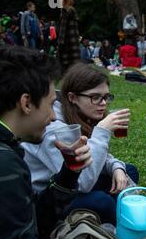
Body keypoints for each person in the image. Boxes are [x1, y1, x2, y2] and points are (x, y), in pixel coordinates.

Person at [0, 46, 104, 239]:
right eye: (50, 104)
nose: (54, 116)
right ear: (26, 103)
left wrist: (69, 173)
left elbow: (28, 225)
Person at [22, 63, 139, 226]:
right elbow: (82, 181)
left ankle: (118, 213)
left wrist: (117, 168)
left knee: (128, 171)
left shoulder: (78, 114)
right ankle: (117, 233)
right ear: (72, 97)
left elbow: (94, 156)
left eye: (106, 97)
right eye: (95, 97)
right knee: (101, 201)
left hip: (74, 183)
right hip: (46, 200)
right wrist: (102, 131)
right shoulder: (53, 129)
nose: (103, 103)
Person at [57, 0, 81, 72]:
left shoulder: (65, 10)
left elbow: (63, 28)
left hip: (66, 40)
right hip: (73, 39)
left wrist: (60, 42)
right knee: (74, 61)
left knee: (65, 61)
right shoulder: (72, 9)